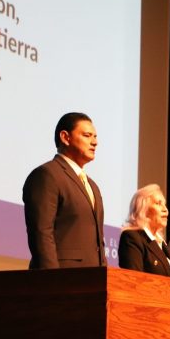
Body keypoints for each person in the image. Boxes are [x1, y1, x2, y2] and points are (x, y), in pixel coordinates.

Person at [23, 112, 106, 269]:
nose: (95, 142)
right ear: (65, 137)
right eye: (87, 135)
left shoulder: (92, 185)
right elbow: (41, 233)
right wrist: (53, 279)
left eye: (95, 137)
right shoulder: (47, 175)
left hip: (93, 278)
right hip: (63, 276)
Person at [118, 184, 170, 277]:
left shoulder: (161, 243)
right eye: (158, 203)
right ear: (143, 209)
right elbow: (133, 279)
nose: (165, 210)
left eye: (164, 204)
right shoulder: (131, 237)